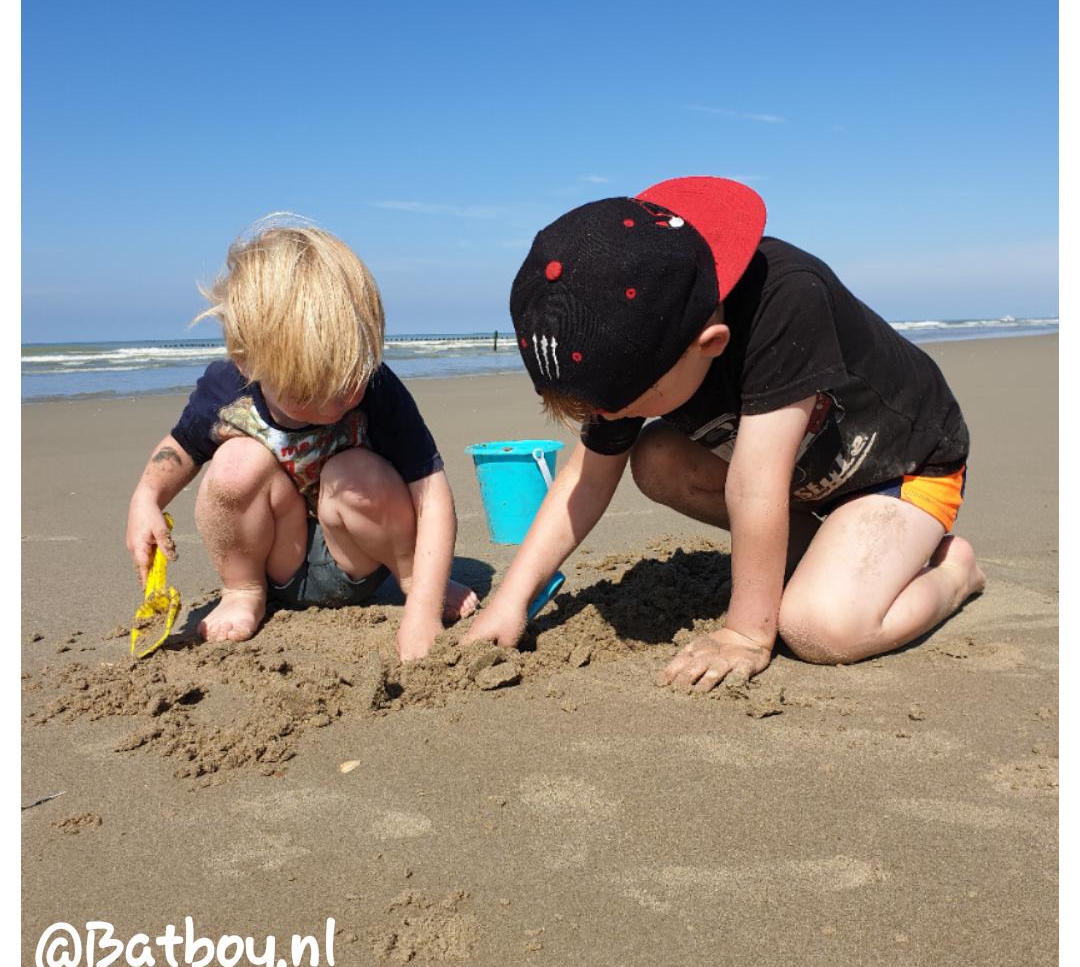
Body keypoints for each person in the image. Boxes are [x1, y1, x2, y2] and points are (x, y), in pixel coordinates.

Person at [465, 176, 985, 690]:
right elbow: (587, 478)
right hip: (798, 479)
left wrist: (746, 633)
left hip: (897, 471)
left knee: (819, 628)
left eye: (621, 406)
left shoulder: (784, 297)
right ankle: (822, 550)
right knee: (656, 459)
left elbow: (756, 486)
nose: (610, 416)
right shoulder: (636, 335)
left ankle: (954, 574)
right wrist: (512, 600)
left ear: (710, 343)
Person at [125, 216, 478, 659]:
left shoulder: (377, 387)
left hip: (355, 557)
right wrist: (146, 499)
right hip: (275, 557)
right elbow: (177, 450)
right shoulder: (225, 392)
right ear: (246, 362)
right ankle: (242, 589)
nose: (336, 402)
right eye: (309, 391)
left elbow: (432, 494)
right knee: (235, 461)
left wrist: (423, 608)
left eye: (348, 380)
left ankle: (414, 578)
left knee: (356, 471)